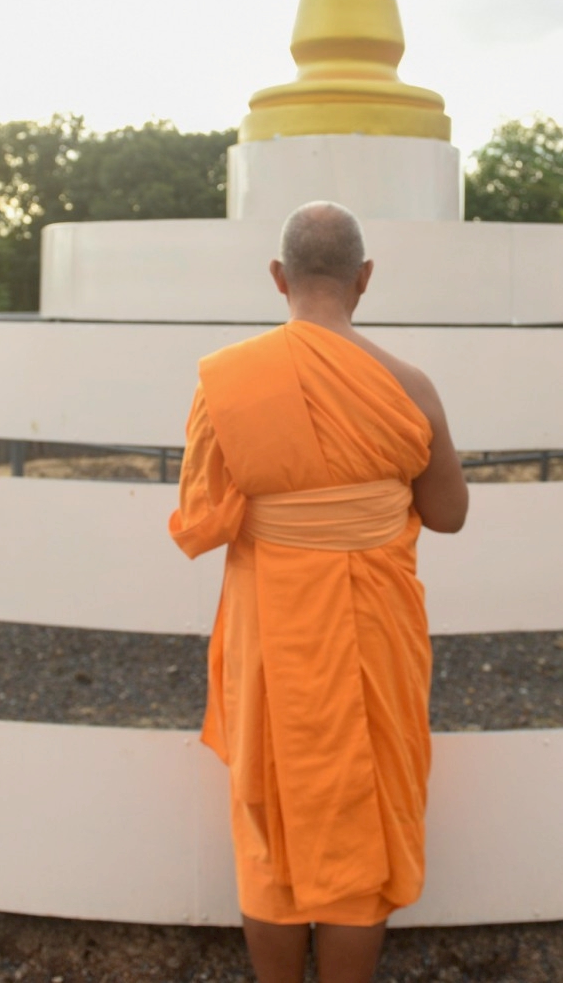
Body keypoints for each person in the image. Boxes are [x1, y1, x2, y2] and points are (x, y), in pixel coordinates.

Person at [169, 203, 468, 981]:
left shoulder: (229, 383)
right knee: (357, 820)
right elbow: (449, 515)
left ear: (279, 277)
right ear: (364, 279)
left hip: (273, 628)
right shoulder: (410, 386)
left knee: (270, 820)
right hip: (373, 626)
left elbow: (204, 520)